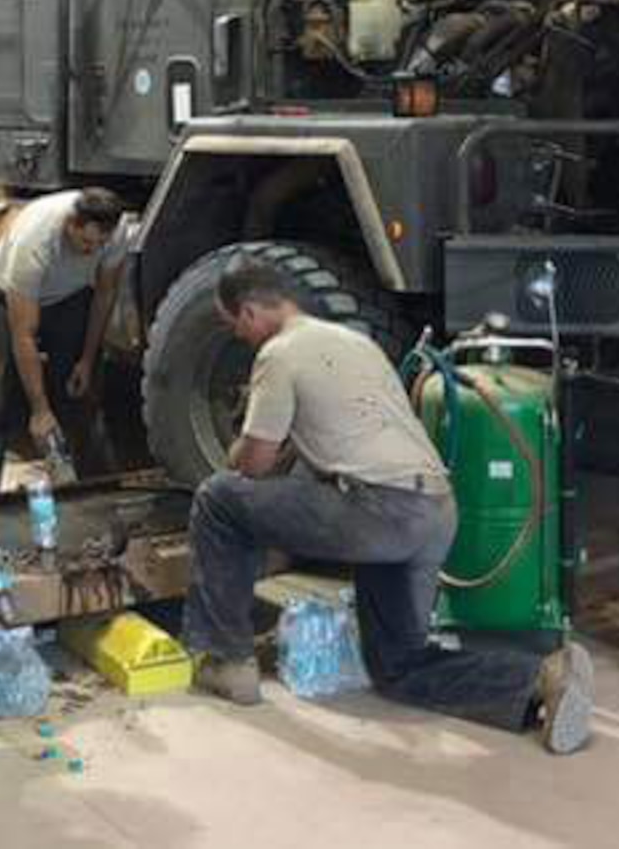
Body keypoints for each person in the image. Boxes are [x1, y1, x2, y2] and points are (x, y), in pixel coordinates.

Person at [182, 258, 594, 755]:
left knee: (218, 499)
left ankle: (228, 662)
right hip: (435, 512)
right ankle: (539, 678)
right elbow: (342, 443)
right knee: (400, 665)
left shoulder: (278, 354)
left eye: (236, 328)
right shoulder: (356, 343)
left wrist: (238, 451)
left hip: (380, 513)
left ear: (248, 313)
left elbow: (253, 463)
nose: (242, 338)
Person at [0, 187, 127, 498]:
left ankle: (104, 498)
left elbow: (104, 296)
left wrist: (87, 360)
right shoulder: (34, 241)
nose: (92, 251)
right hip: (8, 296)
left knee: (81, 400)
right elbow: (24, 334)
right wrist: (39, 410)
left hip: (70, 296)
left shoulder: (116, 236)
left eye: (100, 244)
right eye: (86, 242)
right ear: (70, 224)